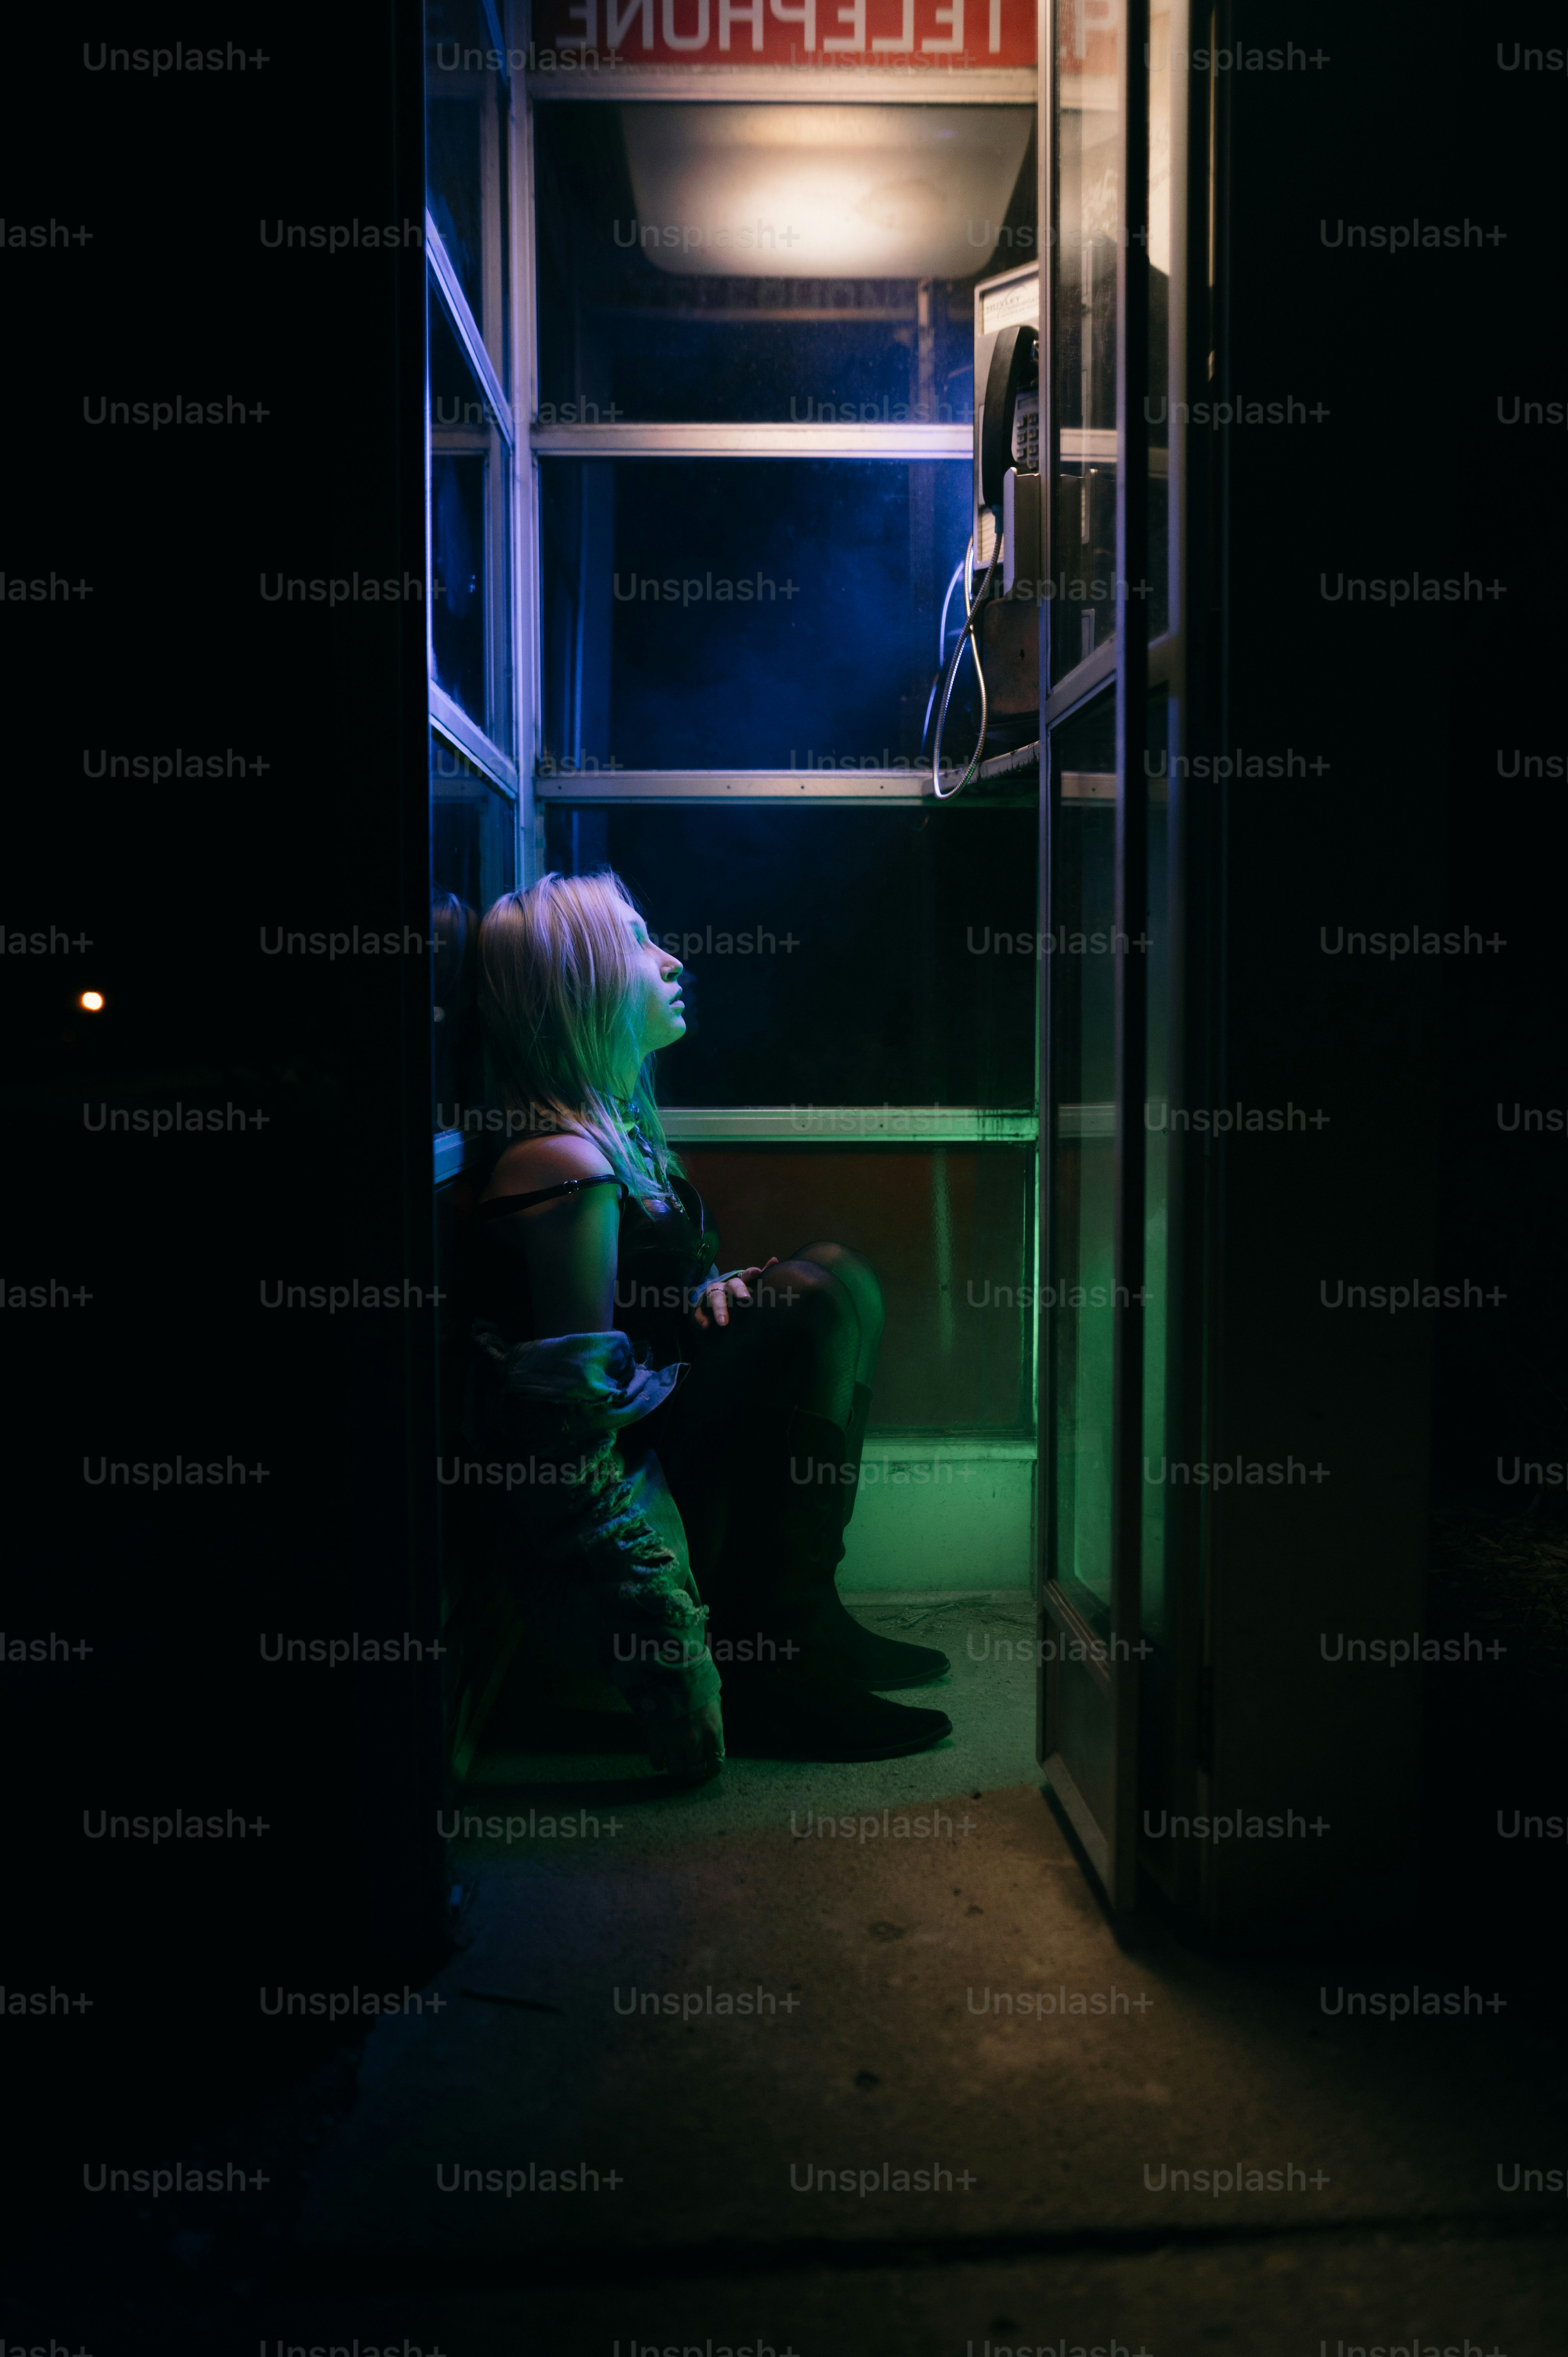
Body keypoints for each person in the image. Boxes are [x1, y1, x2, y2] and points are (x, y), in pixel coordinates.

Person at [461, 869, 952, 1783]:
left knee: (832, 1276)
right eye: (641, 941)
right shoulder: (556, 1159)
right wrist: (650, 1619)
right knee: (808, 1297)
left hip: (675, 1428)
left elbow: (625, 1321)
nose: (671, 958)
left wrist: (707, 1294)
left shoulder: (607, 1134)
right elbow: (575, 1417)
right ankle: (775, 1658)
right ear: (589, 982)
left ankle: (810, 1618)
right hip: (636, 1477)